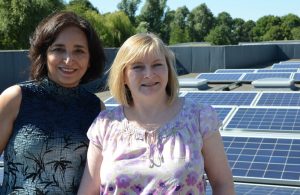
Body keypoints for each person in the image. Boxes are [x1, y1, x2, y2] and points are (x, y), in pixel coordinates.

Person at [78, 33, 235, 195]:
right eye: (137, 66)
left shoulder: (200, 117)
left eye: (157, 64)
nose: (149, 74)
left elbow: (223, 183)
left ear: (168, 70)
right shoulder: (105, 124)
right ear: (123, 75)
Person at [0, 11, 106, 194]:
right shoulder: (16, 98)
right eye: (58, 49)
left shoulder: (97, 109)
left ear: (90, 60)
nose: (68, 59)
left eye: (79, 51)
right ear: (45, 54)